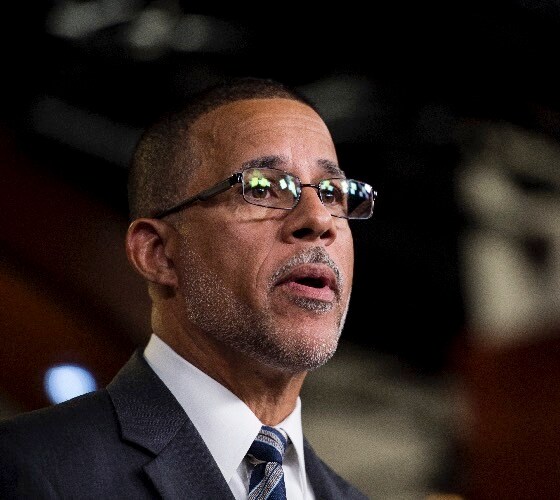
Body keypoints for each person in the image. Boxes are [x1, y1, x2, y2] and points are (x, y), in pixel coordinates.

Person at [0, 76, 377, 499]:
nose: (319, 219)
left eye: (332, 193)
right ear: (158, 253)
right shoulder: (32, 468)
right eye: (262, 187)